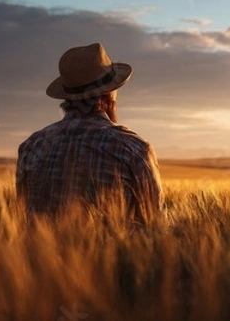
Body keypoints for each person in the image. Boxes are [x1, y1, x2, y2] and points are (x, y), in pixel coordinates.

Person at [16, 43, 164, 231]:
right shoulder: (133, 149)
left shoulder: (31, 147)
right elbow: (156, 227)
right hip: (113, 259)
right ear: (109, 93)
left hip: (38, 259)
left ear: (66, 97)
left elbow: (22, 221)